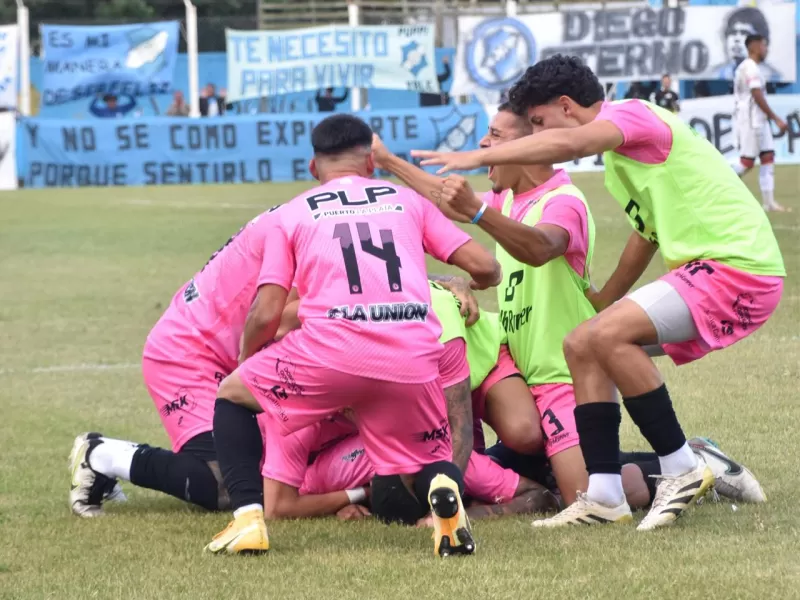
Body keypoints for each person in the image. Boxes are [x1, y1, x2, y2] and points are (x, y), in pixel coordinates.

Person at [412, 54, 785, 531]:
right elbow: (645, 234)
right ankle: (605, 497)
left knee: (603, 338)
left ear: (567, 107)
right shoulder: (621, 161)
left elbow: (568, 143)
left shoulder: (632, 114)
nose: (540, 137)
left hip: (736, 268)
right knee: (583, 342)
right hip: (710, 272)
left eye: (540, 124)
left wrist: (480, 156)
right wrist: (603, 301)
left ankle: (684, 464)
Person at [204, 114, 502, 557]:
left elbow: (267, 310)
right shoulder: (407, 201)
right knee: (429, 456)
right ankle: (445, 500)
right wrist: (453, 282)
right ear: (370, 163)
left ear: (313, 168)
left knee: (231, 396)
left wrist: (250, 361)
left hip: (331, 351)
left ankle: (248, 519)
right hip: (413, 354)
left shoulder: (293, 213)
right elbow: (486, 268)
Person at [376, 104, 595, 506]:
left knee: (583, 496)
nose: (483, 144)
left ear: (529, 147)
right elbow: (447, 201)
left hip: (560, 373)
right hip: (526, 367)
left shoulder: (563, 201)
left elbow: (540, 247)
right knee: (530, 443)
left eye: (494, 135)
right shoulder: (511, 199)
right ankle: (523, 466)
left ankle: (682, 464)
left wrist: (476, 212)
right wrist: (389, 162)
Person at [68, 202, 300, 517]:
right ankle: (101, 455)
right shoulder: (307, 227)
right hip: (186, 353)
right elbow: (287, 317)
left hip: (223, 350)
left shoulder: (304, 215)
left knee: (271, 468)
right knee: (227, 484)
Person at [733, 34, 789, 212]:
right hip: (751, 121)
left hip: (759, 120)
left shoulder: (753, 67)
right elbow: (756, 95)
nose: (765, 49)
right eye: (763, 45)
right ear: (754, 46)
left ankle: (768, 203)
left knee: (767, 157)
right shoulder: (749, 68)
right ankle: (716, 186)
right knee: (747, 162)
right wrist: (776, 118)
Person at [712, 7, 782, 81]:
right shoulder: (716, 74)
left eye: (744, 33)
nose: (736, 39)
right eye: (732, 33)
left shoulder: (772, 76)